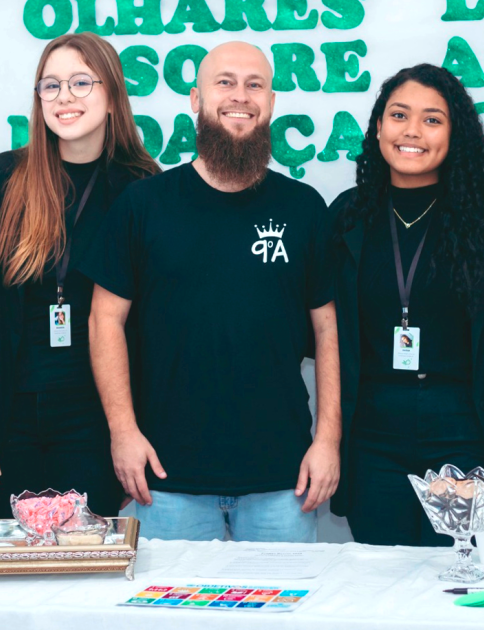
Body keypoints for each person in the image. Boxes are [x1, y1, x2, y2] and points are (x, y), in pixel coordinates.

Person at [82, 41, 340, 542]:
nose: (239, 96)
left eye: (254, 84)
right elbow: (103, 321)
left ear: (271, 102)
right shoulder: (144, 204)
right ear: (195, 99)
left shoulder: (304, 208)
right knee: (169, 622)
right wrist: (123, 432)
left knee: (284, 621)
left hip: (282, 480)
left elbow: (327, 331)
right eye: (224, 82)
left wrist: (328, 439)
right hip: (163, 480)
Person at [0, 32, 159, 520]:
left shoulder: (141, 188)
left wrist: (133, 431)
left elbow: (154, 328)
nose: (64, 97)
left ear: (113, 96)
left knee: (82, 572)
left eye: (82, 82)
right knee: (13, 575)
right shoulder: (2, 179)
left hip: (93, 421)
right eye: (51, 85)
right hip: (5, 417)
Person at [329, 64, 484, 545]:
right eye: (399, 115)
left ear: (455, 133)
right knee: (382, 587)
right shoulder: (348, 214)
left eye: (433, 119)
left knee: (459, 583)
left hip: (463, 427)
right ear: (378, 128)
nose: (412, 131)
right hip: (374, 433)